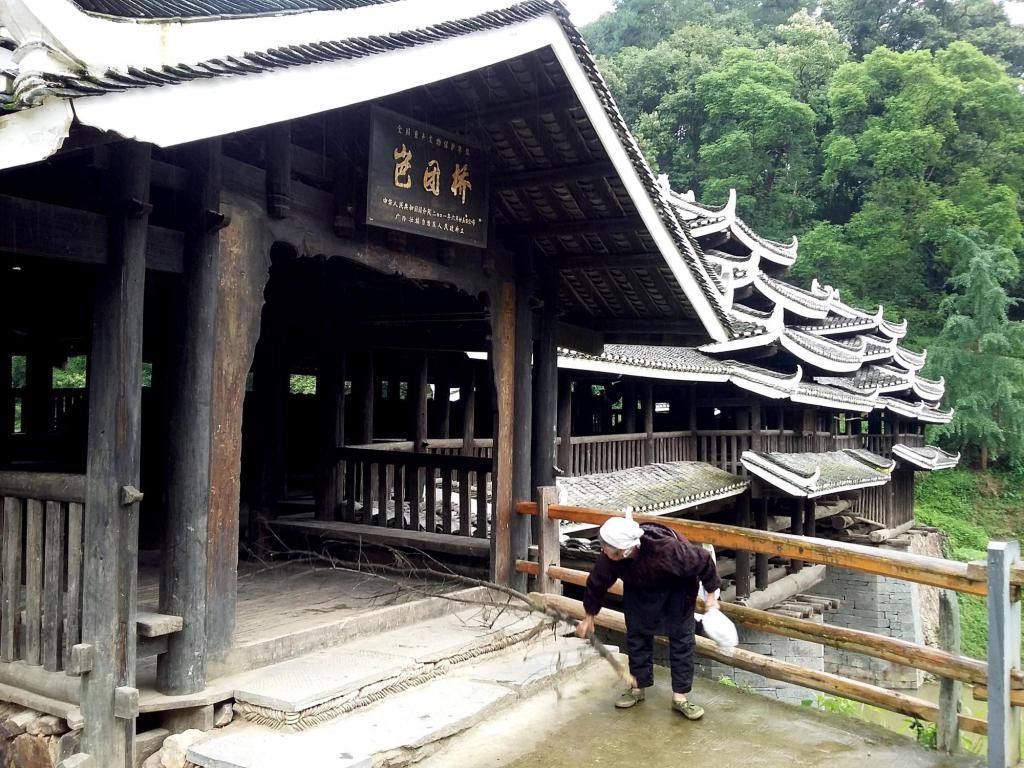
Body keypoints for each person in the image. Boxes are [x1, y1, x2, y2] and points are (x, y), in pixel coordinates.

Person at [575, 512, 720, 719]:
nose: (603, 552)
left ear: (625, 551)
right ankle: (637, 687)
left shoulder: (667, 549)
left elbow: (703, 560)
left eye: (609, 550)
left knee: (682, 641)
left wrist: (711, 596)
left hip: (677, 592)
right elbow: (597, 582)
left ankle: (680, 697)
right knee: (637, 636)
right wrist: (589, 616)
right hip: (639, 590)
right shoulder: (610, 556)